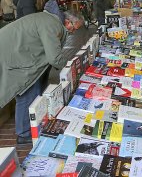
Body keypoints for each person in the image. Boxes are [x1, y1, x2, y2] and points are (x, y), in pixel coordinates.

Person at [0, 9, 83, 144]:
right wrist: (70, 69)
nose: (73, 32)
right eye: (73, 29)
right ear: (67, 22)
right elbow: (54, 57)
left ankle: (31, 125)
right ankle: (24, 133)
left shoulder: (50, 19)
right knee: (26, 93)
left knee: (32, 90)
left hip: (17, 52)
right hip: (12, 56)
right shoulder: (53, 25)